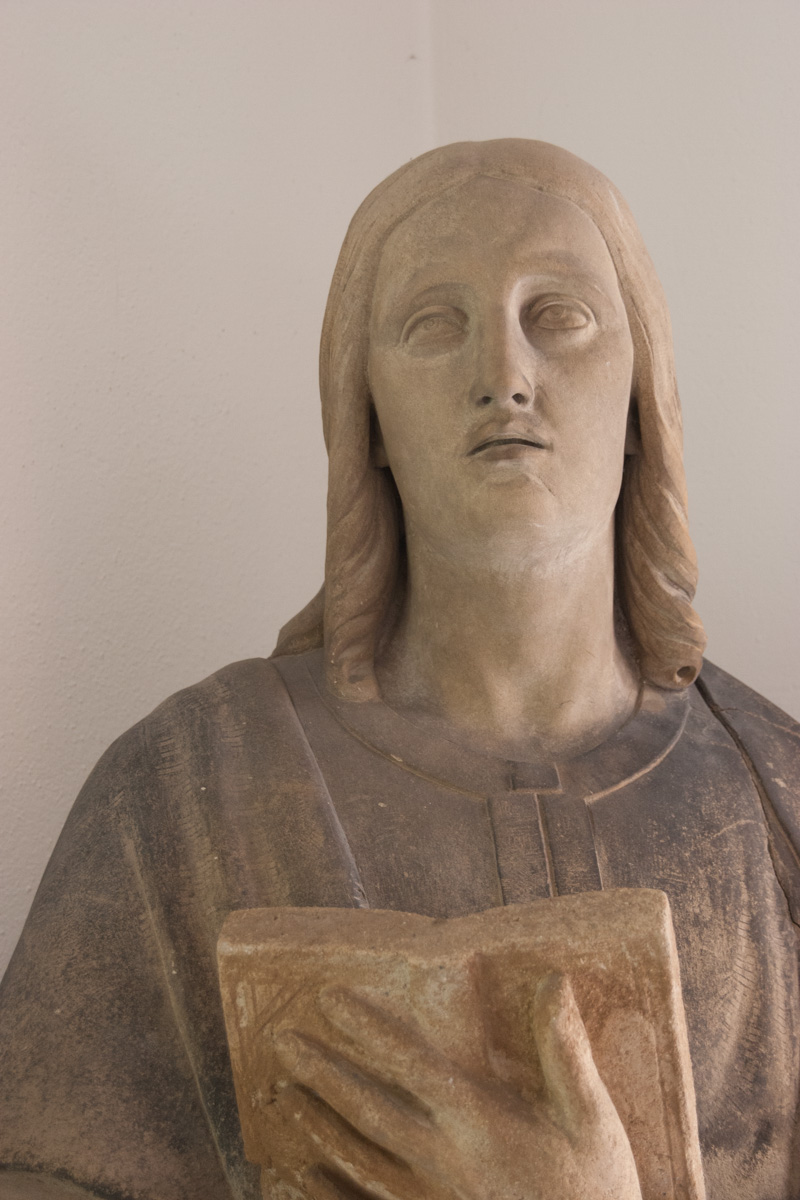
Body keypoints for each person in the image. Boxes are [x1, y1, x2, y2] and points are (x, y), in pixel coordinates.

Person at [1, 139, 798, 1200]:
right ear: (365, 413)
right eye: (434, 324)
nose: (503, 376)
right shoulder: (188, 791)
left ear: (641, 389)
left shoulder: (775, 797)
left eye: (557, 316)